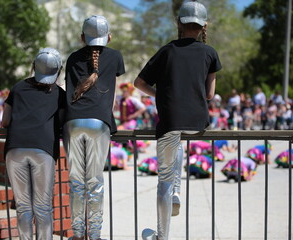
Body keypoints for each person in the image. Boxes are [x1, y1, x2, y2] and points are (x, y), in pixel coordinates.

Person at [134, 2, 222, 239]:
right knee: (179, 142)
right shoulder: (210, 52)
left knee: (163, 180)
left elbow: (139, 83)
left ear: (179, 24)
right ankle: (177, 191)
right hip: (197, 122)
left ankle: (162, 235)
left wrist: (159, 94)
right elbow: (210, 94)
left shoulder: (167, 50)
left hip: (171, 120)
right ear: (204, 26)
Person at [62, 15, 125, 240]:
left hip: (72, 122)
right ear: (109, 36)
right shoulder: (116, 56)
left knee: (77, 182)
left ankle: (78, 235)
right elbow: (113, 95)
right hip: (99, 122)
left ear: (82, 37)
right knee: (95, 182)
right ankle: (95, 235)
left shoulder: (71, 58)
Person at [1, 48, 64, 240]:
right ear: (58, 70)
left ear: (33, 67)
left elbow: (5, 121)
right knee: (43, 207)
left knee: (23, 207)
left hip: (15, 148)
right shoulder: (59, 94)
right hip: (43, 149)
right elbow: (61, 124)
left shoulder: (17, 88)